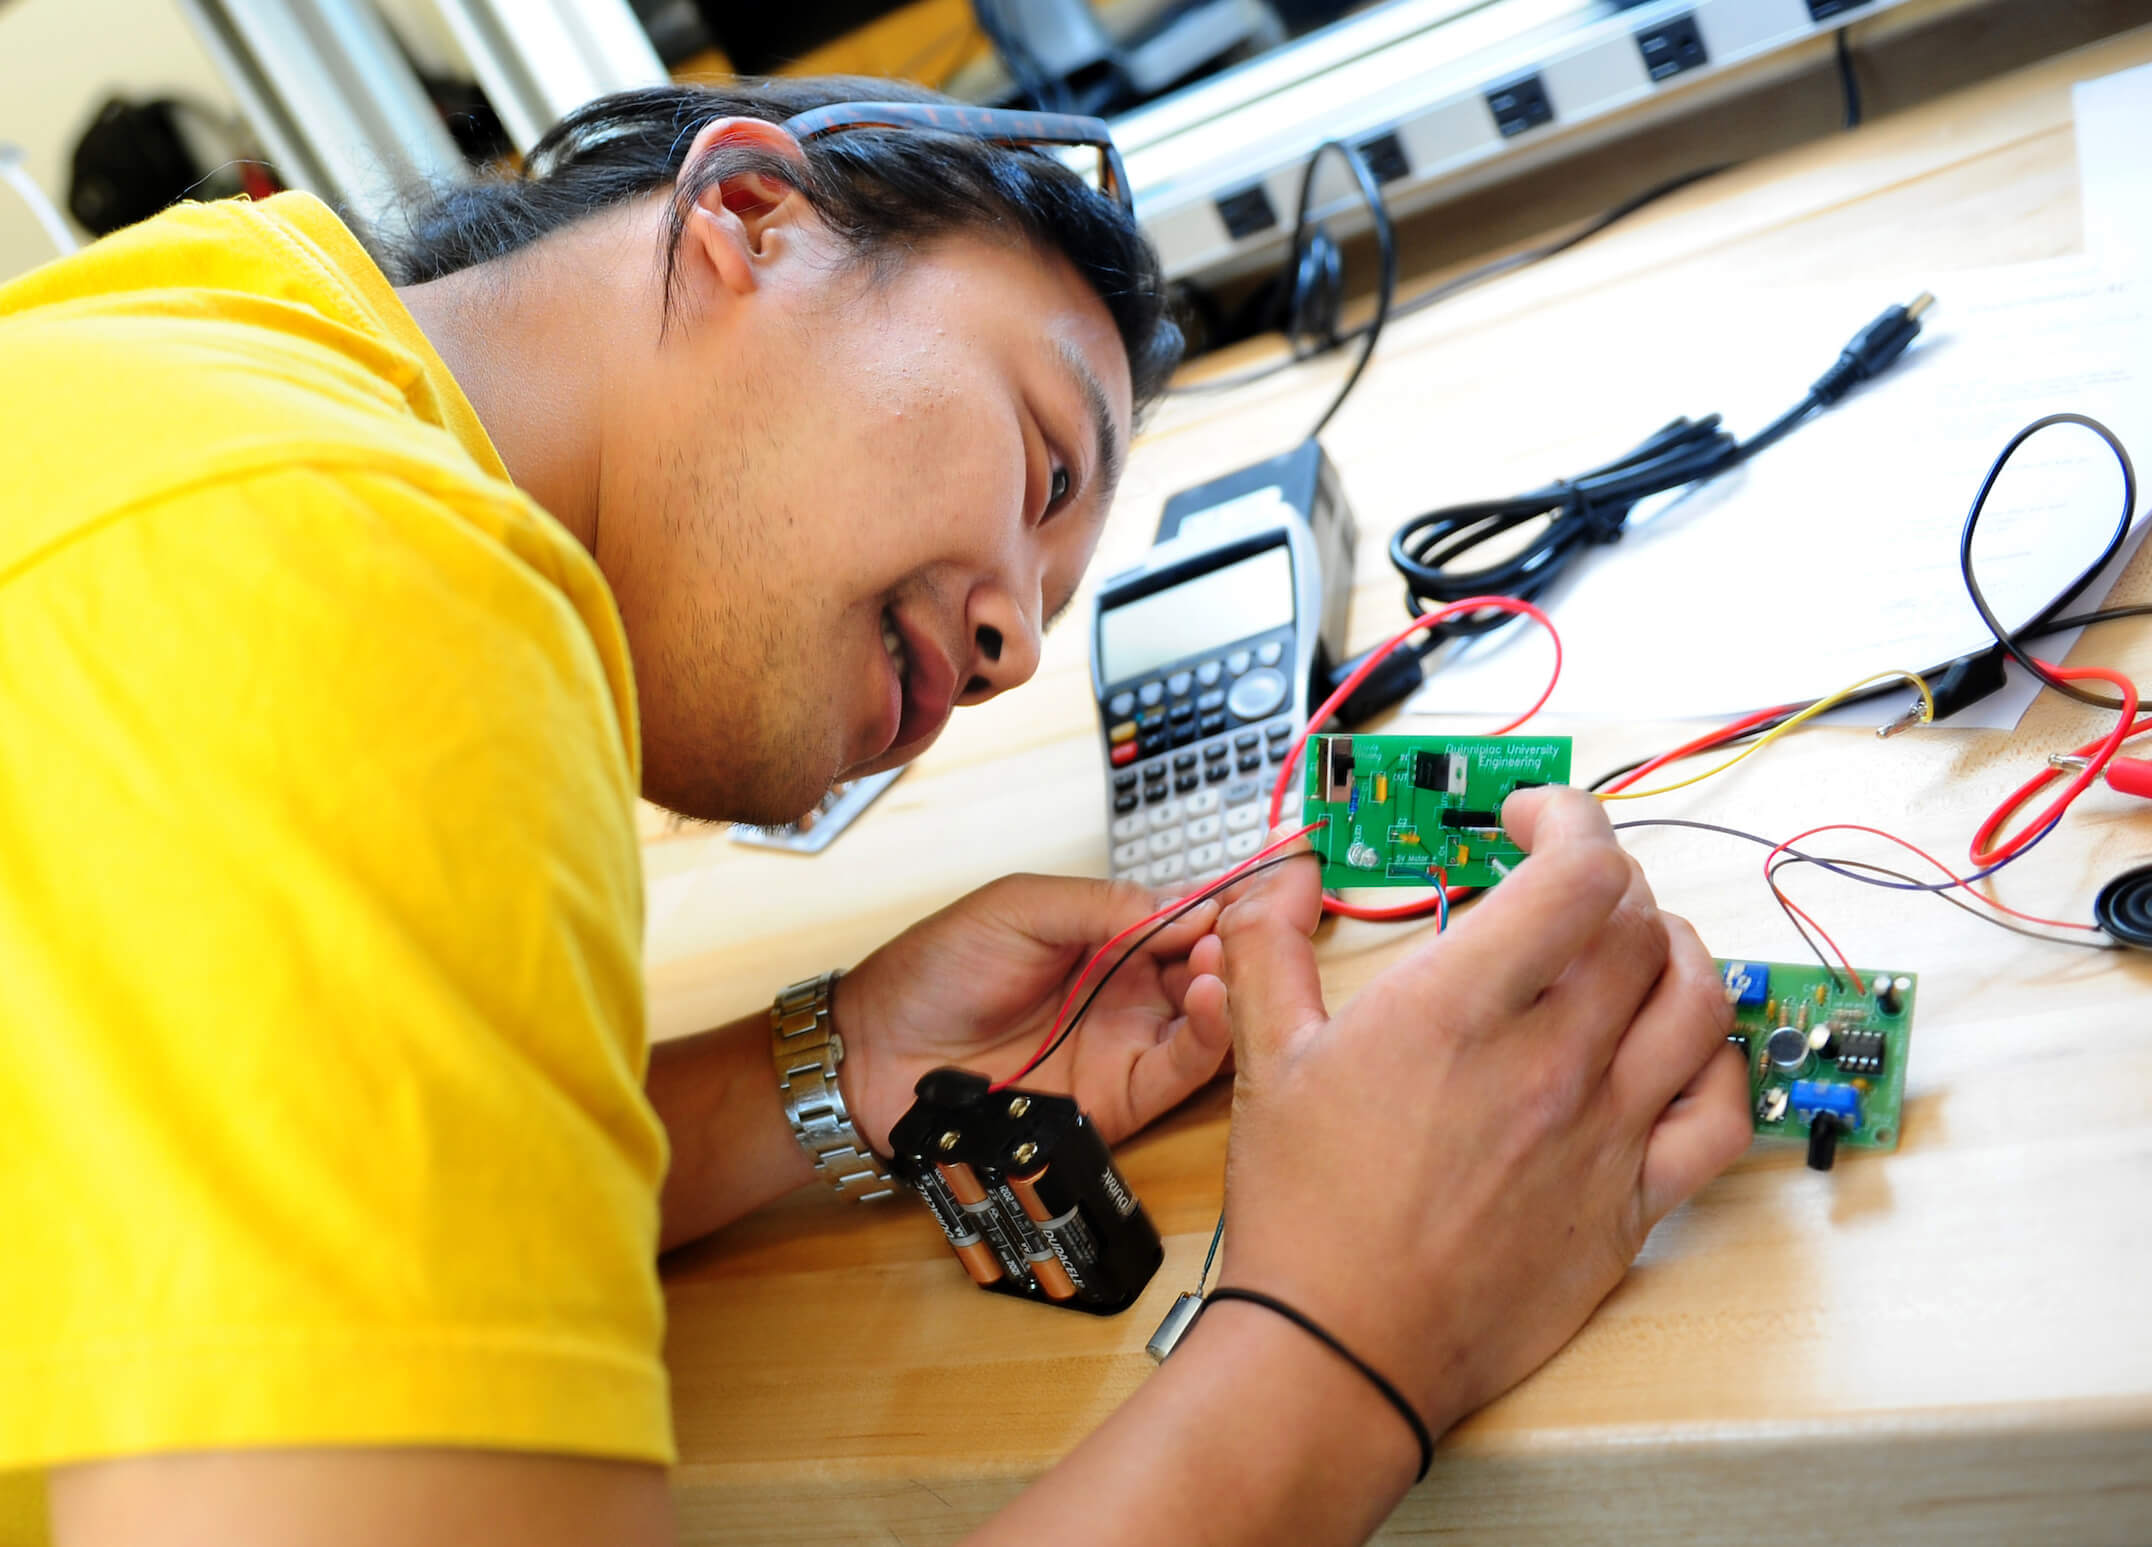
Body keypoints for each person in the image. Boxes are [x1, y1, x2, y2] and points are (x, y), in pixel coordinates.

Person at [0, 75, 1749, 1547]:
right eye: (1042, 465)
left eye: (1044, 621)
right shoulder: (351, 583)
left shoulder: (188, 343)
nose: (1003, 646)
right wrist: (1343, 1340)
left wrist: (819, 1074)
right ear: (750, 218)